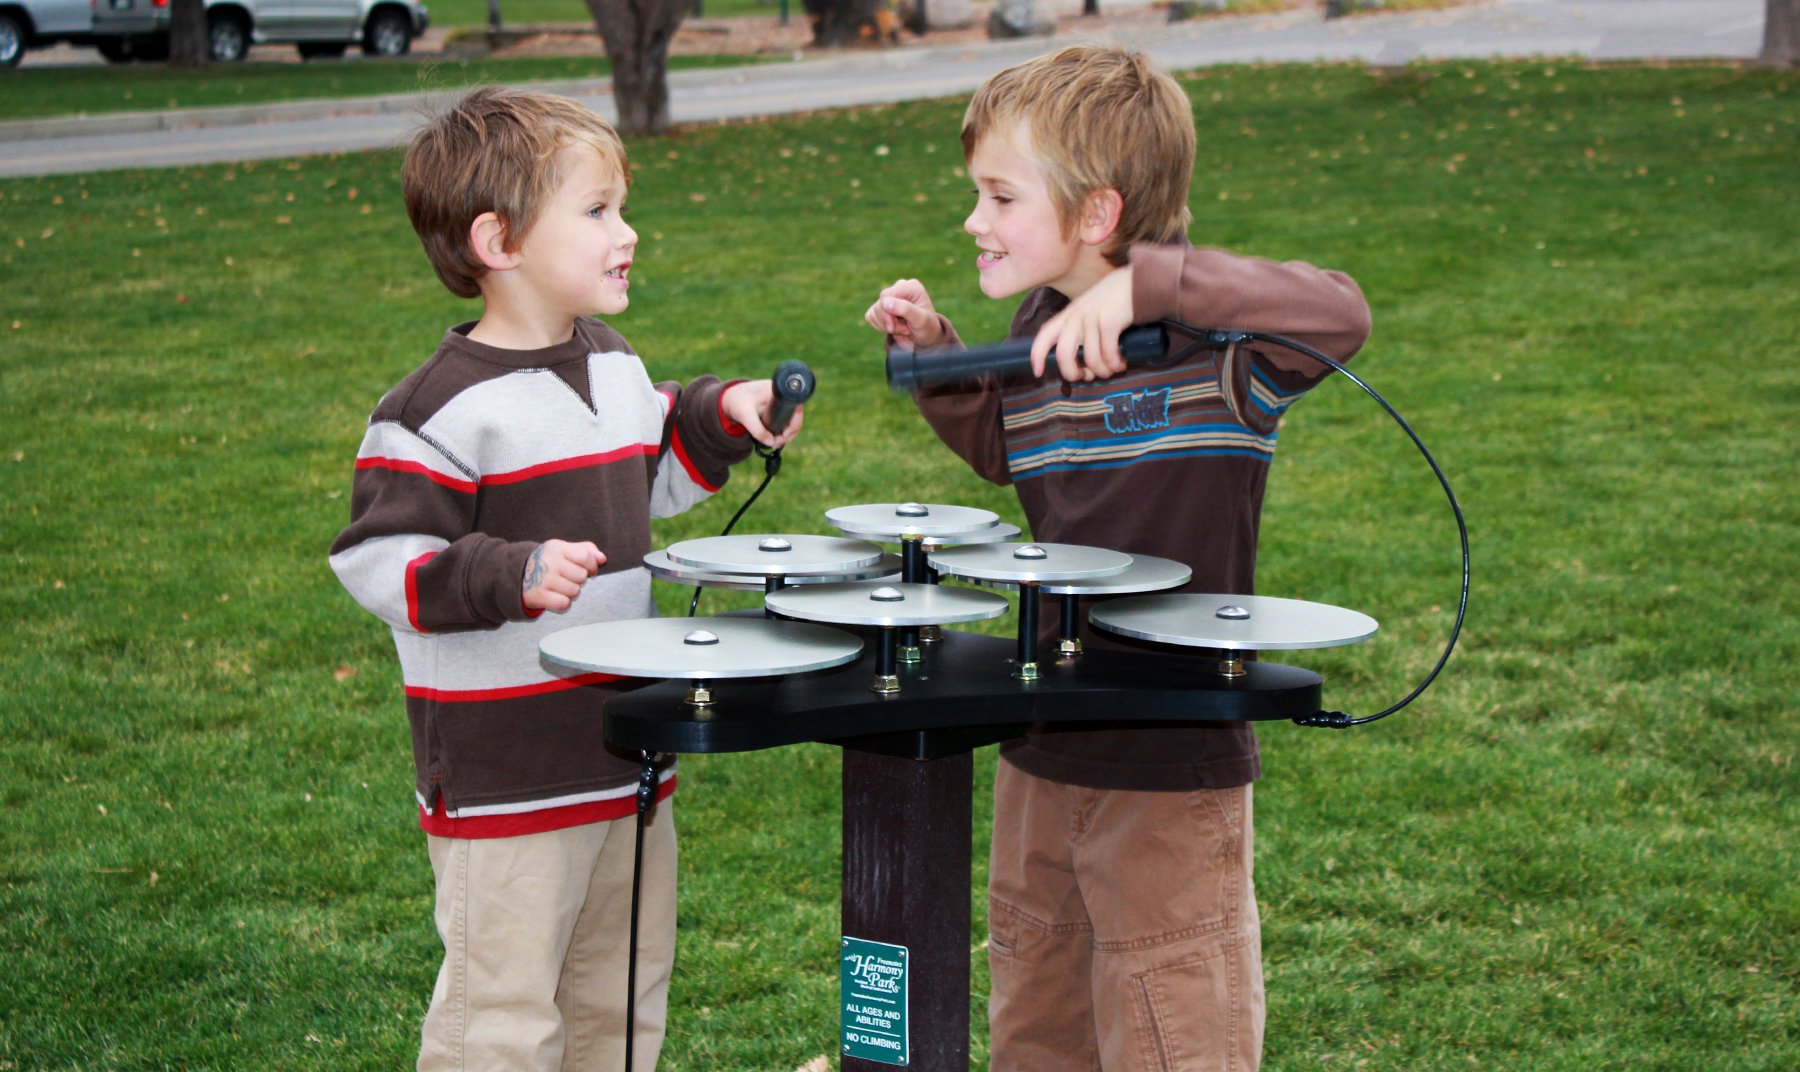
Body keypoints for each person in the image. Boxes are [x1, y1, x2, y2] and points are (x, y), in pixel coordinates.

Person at [864, 46, 1371, 1071]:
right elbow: (1013, 450)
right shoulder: (1039, 326)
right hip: (1040, 748)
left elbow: (1342, 312)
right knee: (1038, 1019)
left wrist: (1154, 286)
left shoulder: (1219, 347)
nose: (974, 219)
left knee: (1169, 1023)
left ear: (1096, 215)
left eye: (999, 195)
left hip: (1168, 765)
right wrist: (940, 356)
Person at [329, 86, 801, 1072]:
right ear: (499, 240)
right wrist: (511, 570)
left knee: (619, 1005)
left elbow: (657, 461)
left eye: (620, 208)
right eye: (597, 212)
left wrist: (726, 412)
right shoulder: (435, 412)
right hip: (509, 783)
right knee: (501, 1024)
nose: (626, 233)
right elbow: (382, 560)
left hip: (623, 761)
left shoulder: (612, 366)